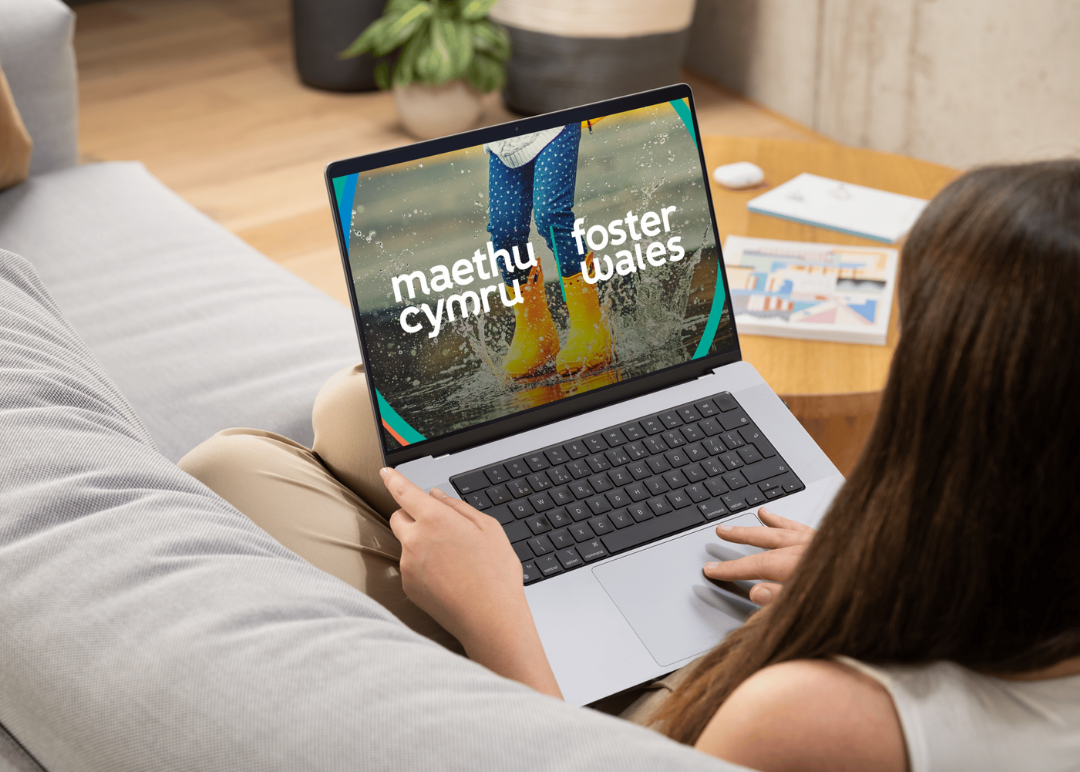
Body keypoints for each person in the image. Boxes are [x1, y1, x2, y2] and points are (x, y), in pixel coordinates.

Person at [180, 160, 1080, 770]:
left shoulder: (822, 716)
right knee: (351, 412)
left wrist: (497, 620)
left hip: (613, 721)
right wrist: (873, 574)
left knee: (232, 470)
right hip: (821, 638)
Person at [485, 123, 614, 379]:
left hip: (554, 124)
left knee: (552, 215)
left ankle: (590, 325)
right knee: (504, 231)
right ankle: (535, 335)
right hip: (504, 140)